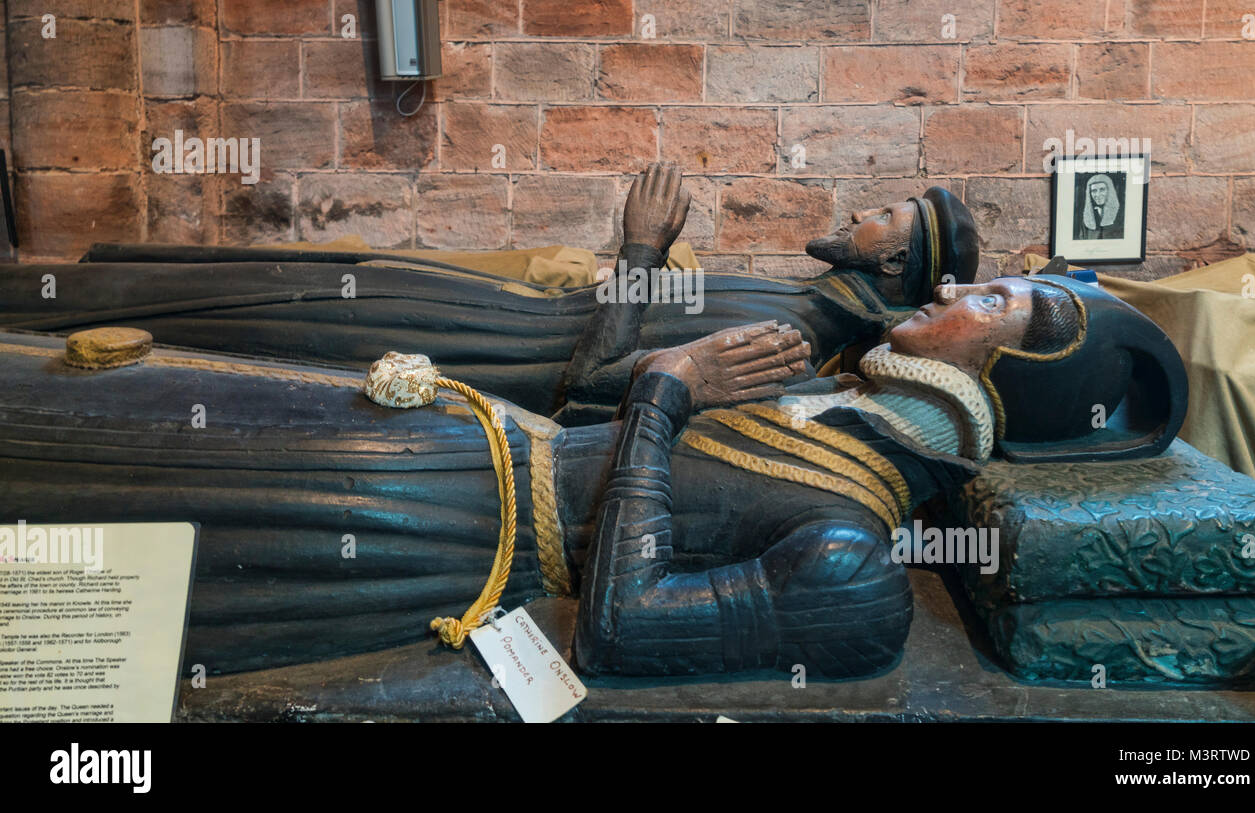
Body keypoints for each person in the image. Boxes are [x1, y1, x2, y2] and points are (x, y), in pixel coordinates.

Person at [0, 268, 1186, 679]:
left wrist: (668, 388)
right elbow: (603, 407)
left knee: (110, 483)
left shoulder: (854, 566)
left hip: (432, 532)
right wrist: (658, 380)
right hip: (462, 446)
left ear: (1013, 377)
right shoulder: (832, 410)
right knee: (110, 395)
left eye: (984, 301)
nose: (944, 297)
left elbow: (622, 626)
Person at [0, 165, 979, 421]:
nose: (868, 214)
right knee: (284, 283)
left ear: (894, 268)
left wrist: (638, 250)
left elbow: (595, 386)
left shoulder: (801, 338)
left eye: (891, 213)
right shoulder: (810, 309)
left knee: (268, 317)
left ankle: (31, 323)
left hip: (494, 353)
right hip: (483, 315)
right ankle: (35, 300)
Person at [1075, 173, 1123, 240]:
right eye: (1094, 191)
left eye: (1102, 189)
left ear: (1109, 191)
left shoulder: (1122, 215)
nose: (1098, 194)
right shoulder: (1086, 217)